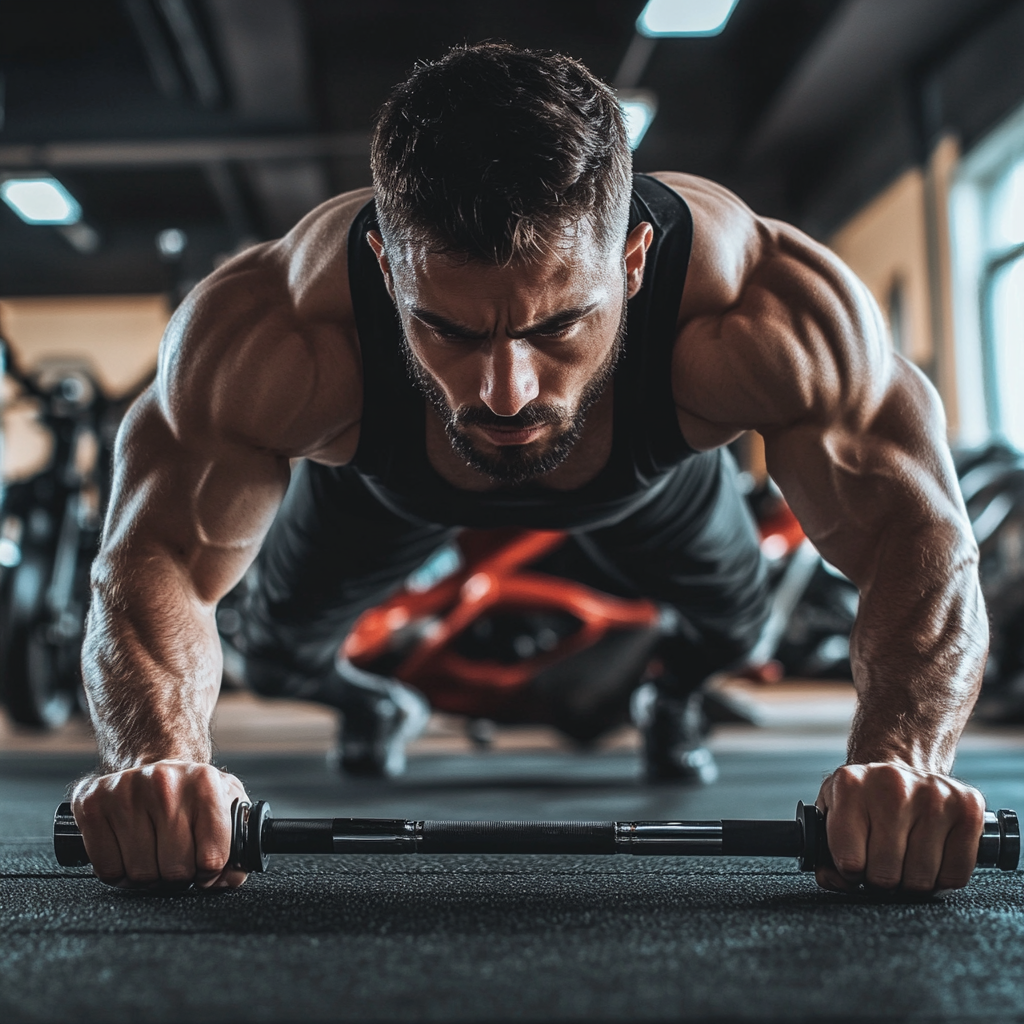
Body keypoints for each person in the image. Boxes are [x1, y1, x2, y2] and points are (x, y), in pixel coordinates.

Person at [72, 43, 988, 895]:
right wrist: (160, 761)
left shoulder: (755, 308)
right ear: (388, 271)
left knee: (739, 628)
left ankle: (672, 697)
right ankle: (370, 707)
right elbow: (152, 560)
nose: (505, 393)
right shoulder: (279, 331)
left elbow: (920, 533)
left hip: (655, 490)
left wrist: (902, 760)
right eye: (450, 328)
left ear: (634, 261)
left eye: (557, 327)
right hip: (376, 491)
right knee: (274, 647)